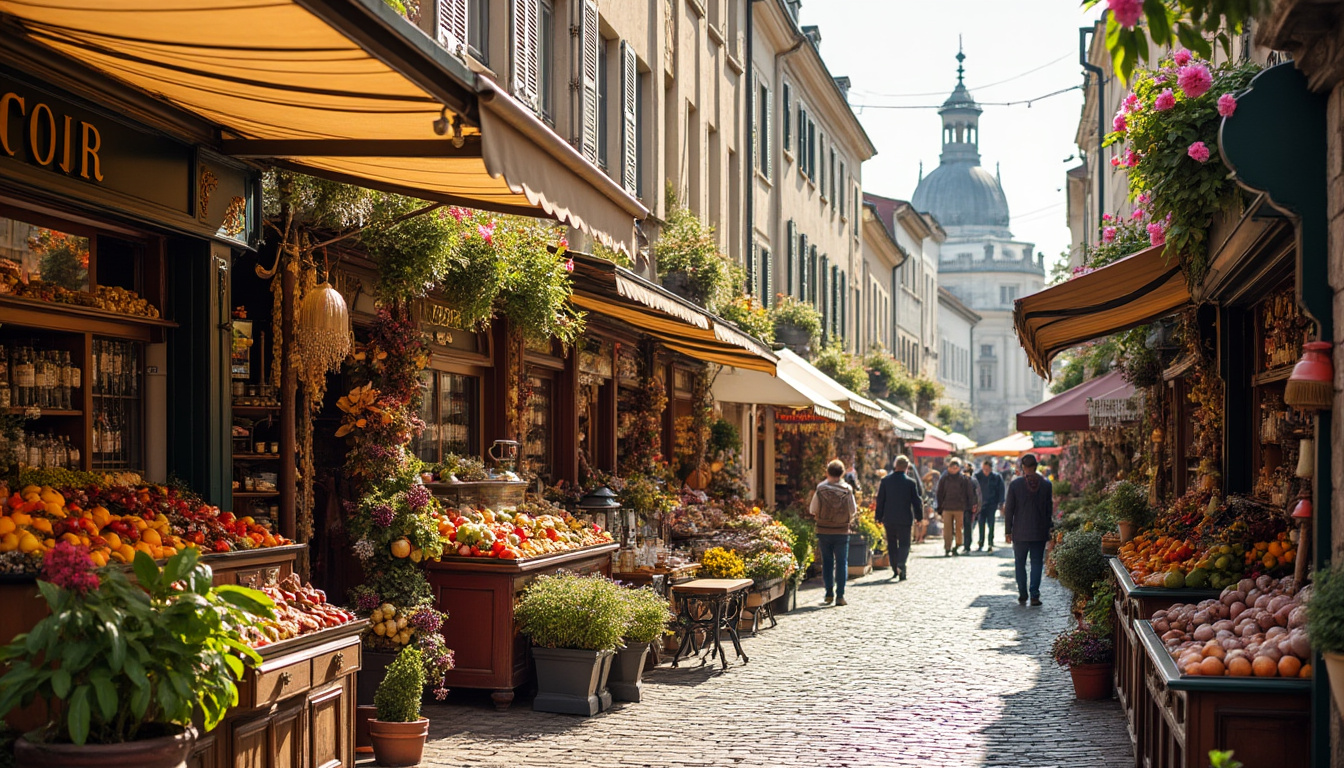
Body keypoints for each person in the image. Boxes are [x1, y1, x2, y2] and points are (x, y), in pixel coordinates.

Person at [1004, 452, 1055, 606]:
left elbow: (1009, 509)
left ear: (1023, 467)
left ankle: (1022, 593)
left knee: (1020, 563)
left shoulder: (1015, 485)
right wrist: (1049, 528)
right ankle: (1034, 595)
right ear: (1036, 466)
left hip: (1020, 531)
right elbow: (1048, 510)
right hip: (1039, 531)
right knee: (1037, 563)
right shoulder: (1046, 485)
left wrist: (1008, 531)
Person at [809, 459, 858, 606]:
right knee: (842, 562)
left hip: (824, 530)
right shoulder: (847, 489)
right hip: (842, 531)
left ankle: (829, 593)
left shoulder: (821, 488)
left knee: (827, 562)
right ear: (842, 473)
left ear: (827, 472)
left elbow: (812, 509)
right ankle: (840, 596)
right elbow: (853, 510)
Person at [874, 454, 923, 581]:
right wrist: (919, 517)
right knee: (904, 543)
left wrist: (878, 517)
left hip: (889, 518)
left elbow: (880, 500)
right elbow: (916, 501)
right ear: (907, 467)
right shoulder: (910, 483)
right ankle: (901, 563)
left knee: (892, 543)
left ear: (895, 466)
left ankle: (895, 568)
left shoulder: (886, 481)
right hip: (905, 518)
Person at [935, 457, 979, 556]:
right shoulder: (944, 478)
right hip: (947, 507)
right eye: (952, 467)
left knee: (959, 529)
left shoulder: (964, 479)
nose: (954, 469)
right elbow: (940, 493)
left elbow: (969, 493)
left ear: (959, 468)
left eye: (956, 467)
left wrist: (970, 506)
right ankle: (947, 548)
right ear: (949, 468)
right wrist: (940, 507)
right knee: (947, 529)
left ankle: (957, 545)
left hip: (960, 508)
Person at [973, 458, 1006, 552]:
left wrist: (1001, 502)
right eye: (984, 469)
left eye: (987, 469)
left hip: (992, 504)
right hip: (980, 504)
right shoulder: (977, 476)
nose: (985, 471)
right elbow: (973, 490)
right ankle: (981, 542)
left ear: (991, 469)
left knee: (991, 524)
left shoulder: (996, 477)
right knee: (981, 523)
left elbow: (1001, 490)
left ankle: (990, 542)